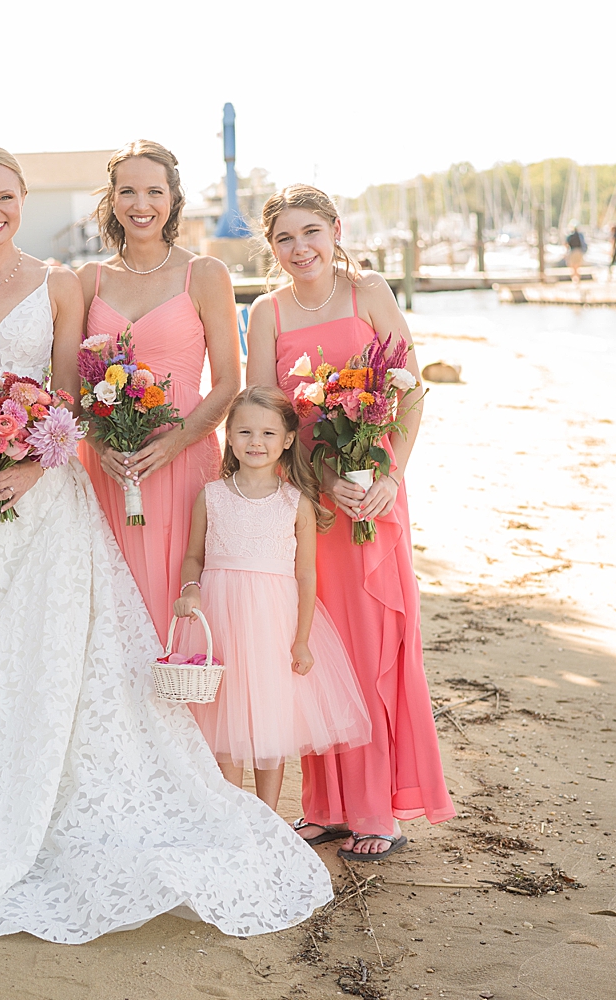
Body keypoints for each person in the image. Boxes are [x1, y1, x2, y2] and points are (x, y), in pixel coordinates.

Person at [0, 148, 334, 950]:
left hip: (44, 498)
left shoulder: (58, 283)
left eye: (6, 197)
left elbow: (64, 398)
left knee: (53, 661)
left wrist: (21, 468)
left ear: (21, 202)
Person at [245, 183, 454, 861]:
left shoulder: (370, 293)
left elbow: (410, 392)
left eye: (310, 232)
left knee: (368, 647)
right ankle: (326, 805)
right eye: (284, 238)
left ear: (335, 230)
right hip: (309, 494)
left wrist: (390, 478)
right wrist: (314, 477)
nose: (299, 248)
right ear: (271, 246)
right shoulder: (267, 312)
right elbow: (264, 411)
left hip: (374, 496)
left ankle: (374, 810)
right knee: (311, 644)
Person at [173, 386, 371, 812]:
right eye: (244, 432)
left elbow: (304, 575)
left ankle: (265, 816)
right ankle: (230, 813)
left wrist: (300, 640)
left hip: (272, 623)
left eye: (267, 433)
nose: (255, 442)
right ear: (229, 437)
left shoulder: (295, 502)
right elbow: (193, 557)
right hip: (222, 619)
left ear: (286, 440)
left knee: (269, 721)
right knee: (224, 720)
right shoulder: (211, 495)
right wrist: (190, 591)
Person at [77, 141, 239, 639]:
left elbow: (230, 381)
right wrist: (101, 445)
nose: (140, 204)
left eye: (153, 191)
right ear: (112, 199)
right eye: (127, 191)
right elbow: (71, 383)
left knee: (178, 581)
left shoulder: (205, 274)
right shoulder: (89, 279)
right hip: (108, 463)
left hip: (183, 454)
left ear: (173, 198)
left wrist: (175, 442)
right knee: (111, 593)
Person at [565, 220, 587, 285]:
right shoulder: (580, 235)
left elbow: (566, 244)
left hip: (573, 251)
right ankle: (577, 279)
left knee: (573, 267)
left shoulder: (570, 235)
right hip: (579, 251)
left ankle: (574, 280)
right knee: (577, 267)